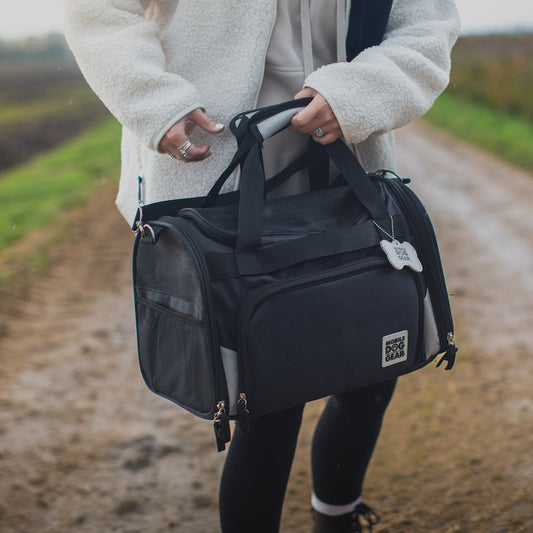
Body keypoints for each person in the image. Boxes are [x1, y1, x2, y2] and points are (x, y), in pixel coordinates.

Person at [65, 1, 460, 531]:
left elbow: (426, 23)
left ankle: (337, 518)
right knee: (270, 396)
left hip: (346, 147)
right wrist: (152, 100)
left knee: (372, 370)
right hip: (219, 161)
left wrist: (359, 92)